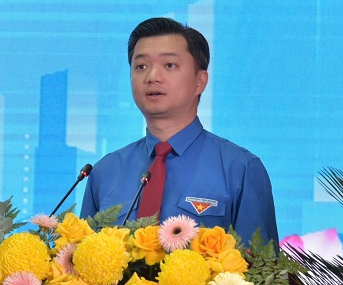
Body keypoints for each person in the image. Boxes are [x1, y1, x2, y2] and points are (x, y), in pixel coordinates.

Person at [80, 17, 278, 246]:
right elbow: (83, 259)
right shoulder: (104, 172)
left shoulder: (240, 169)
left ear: (200, 81)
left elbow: (261, 266)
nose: (152, 77)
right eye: (141, 66)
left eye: (169, 65)